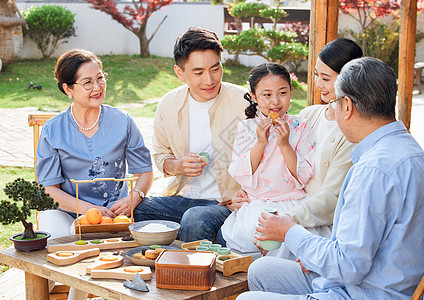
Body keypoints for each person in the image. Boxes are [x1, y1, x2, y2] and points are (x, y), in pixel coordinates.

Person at [237, 57, 424, 300]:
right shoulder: (409, 149)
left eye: (332, 103)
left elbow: (348, 267)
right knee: (260, 270)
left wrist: (289, 231)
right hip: (368, 281)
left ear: (347, 106)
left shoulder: (374, 169)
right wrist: (312, 253)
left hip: (360, 293)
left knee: (246, 299)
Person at [228, 39, 363, 254]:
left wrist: (284, 221)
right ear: (253, 96)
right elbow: (253, 167)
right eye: (316, 75)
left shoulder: (348, 133)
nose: (318, 84)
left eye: (325, 78)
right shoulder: (310, 115)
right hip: (263, 205)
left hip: (305, 214)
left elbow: (329, 199)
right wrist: (246, 194)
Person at [133, 27, 248, 242]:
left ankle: (188, 274)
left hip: (226, 202)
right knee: (135, 211)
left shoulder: (245, 102)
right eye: (198, 72)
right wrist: (178, 166)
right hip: (182, 198)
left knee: (195, 219)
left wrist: (250, 196)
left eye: (216, 68)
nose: (209, 80)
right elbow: (160, 156)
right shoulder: (169, 104)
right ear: (180, 72)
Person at [36, 49, 154, 239]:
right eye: (88, 82)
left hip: (115, 214)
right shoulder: (52, 130)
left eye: (100, 78)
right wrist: (89, 210)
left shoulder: (122, 121)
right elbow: (49, 189)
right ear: (68, 89)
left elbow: (145, 171)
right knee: (57, 238)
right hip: (66, 212)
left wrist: (134, 197)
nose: (97, 87)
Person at [220, 63, 315, 254]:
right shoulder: (246, 128)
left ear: (290, 92)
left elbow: (304, 174)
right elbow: (240, 171)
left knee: (292, 238)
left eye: (282, 93)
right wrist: (260, 143)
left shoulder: (300, 126)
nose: (275, 102)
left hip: (291, 201)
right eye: (267, 95)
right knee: (253, 234)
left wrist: (285, 144)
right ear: (254, 96)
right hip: (258, 203)